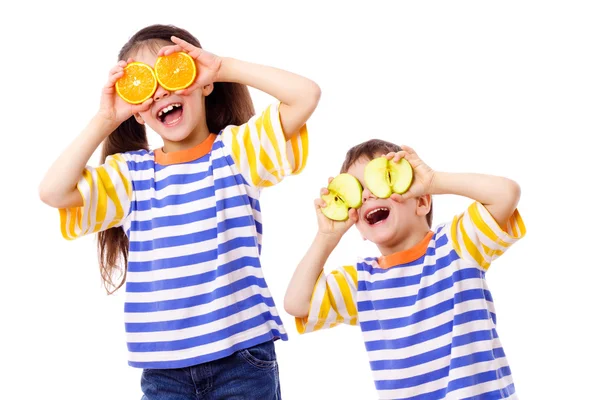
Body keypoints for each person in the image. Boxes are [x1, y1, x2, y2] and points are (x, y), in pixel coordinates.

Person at [39, 24, 320, 399]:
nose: (161, 93)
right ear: (137, 113)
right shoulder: (131, 176)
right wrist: (105, 119)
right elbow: (53, 191)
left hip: (242, 359)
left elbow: (306, 95)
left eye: (172, 73)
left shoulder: (237, 153)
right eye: (145, 86)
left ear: (203, 84)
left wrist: (222, 67)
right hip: (163, 373)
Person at [284, 139, 526, 399]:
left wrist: (434, 181)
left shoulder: (456, 245)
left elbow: (506, 194)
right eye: (357, 192)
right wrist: (326, 237)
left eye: (382, 179)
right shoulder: (361, 282)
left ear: (421, 202)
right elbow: (297, 303)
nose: (366, 195)